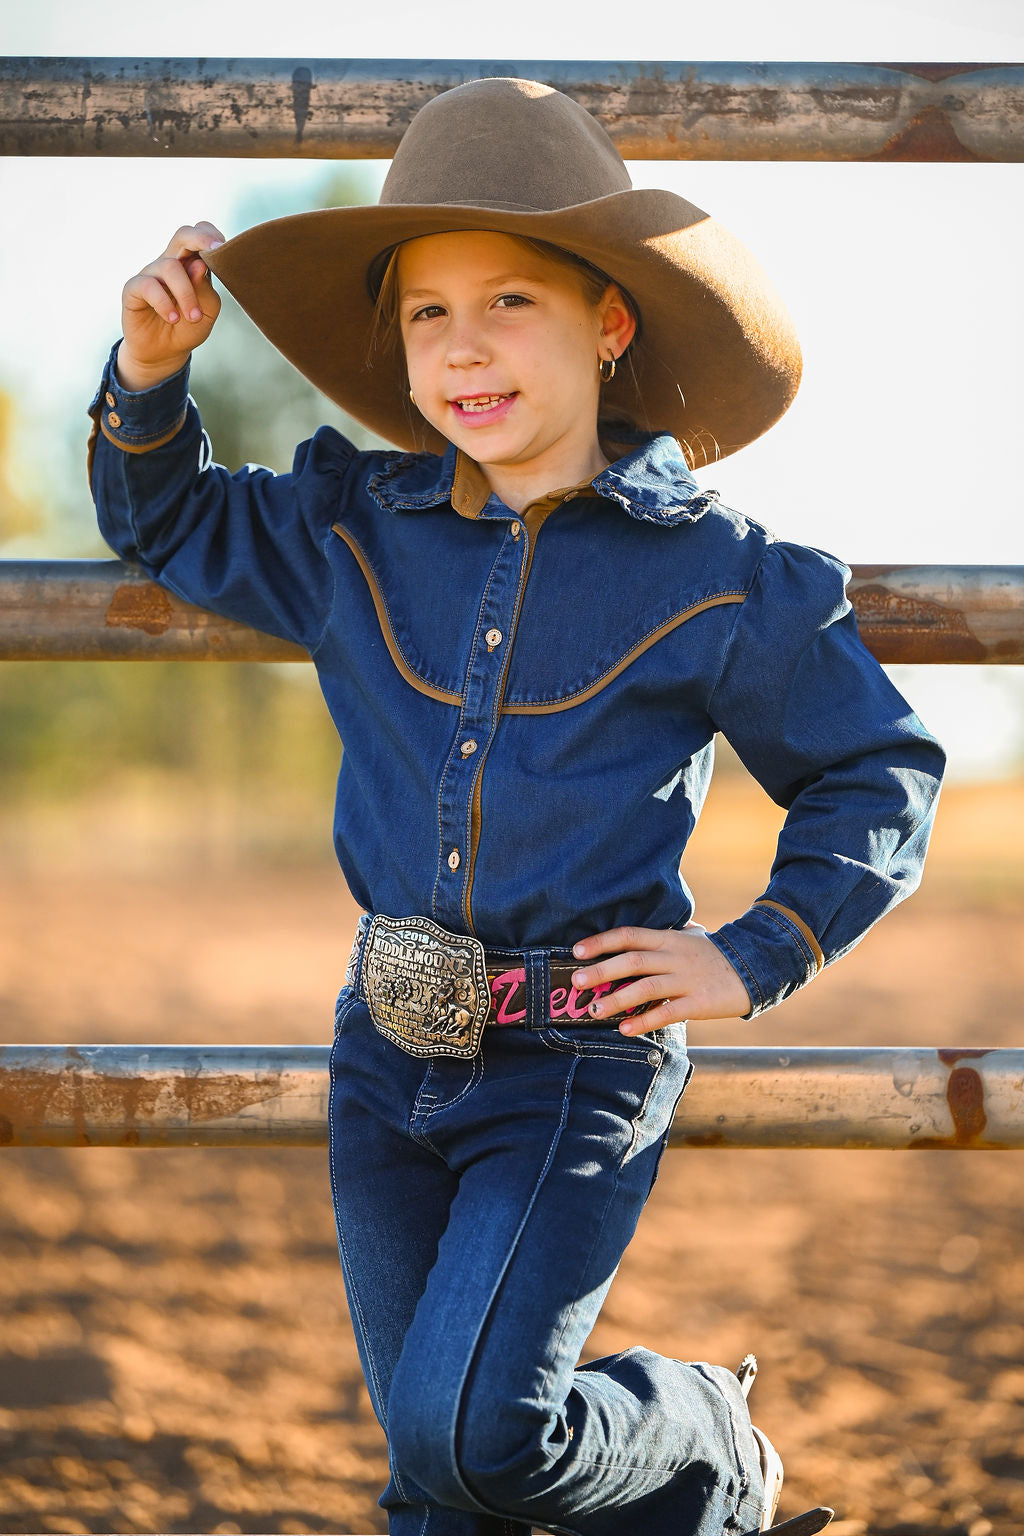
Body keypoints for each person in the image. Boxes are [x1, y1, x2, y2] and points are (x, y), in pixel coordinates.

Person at [87, 77, 944, 1536]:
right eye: (427, 312)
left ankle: (705, 1432)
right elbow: (163, 522)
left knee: (475, 1435)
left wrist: (755, 953)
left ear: (611, 321)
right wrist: (151, 374)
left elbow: (879, 768)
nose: (463, 345)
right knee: (437, 1482)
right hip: (387, 1045)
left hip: (575, 1060)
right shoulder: (350, 528)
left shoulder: (722, 575)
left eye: (510, 302)